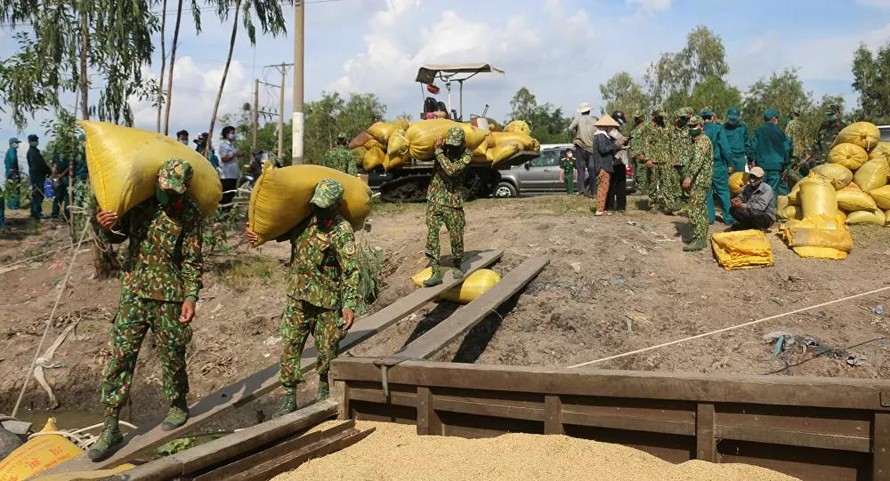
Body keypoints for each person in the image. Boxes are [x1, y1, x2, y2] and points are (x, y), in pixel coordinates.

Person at [88, 159, 204, 462]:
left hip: (170, 297)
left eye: (176, 191)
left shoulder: (189, 212)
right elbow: (118, 235)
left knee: (173, 357)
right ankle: (111, 426)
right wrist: (106, 225)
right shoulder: (139, 202)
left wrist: (191, 298)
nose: (170, 196)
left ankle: (178, 404)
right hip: (135, 294)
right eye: (166, 189)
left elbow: (192, 261)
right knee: (120, 357)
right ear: (157, 180)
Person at [245, 179, 359, 414]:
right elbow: (276, 230)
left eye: (324, 207)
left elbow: (350, 270)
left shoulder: (341, 231)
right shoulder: (303, 221)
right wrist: (258, 234)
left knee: (327, 350)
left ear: (335, 205)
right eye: (316, 205)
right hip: (297, 298)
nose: (318, 211)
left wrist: (349, 304)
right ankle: (288, 398)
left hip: (326, 303)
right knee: (289, 347)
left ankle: (324, 392)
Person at [423, 127, 471, 287]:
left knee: (456, 235)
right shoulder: (443, 149)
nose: (453, 147)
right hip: (435, 199)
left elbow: (452, 170)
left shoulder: (467, 156)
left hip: (452, 201)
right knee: (432, 235)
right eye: (451, 144)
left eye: (456, 145)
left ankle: (457, 264)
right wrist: (436, 148)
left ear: (463, 143)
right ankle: (435, 271)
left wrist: (438, 152)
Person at [681, 116, 713, 252]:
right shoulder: (698, 141)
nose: (691, 129)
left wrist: (688, 177)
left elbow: (697, 162)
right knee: (700, 209)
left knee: (694, 209)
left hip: (699, 180)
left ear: (701, 126)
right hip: (700, 180)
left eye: (694, 126)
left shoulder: (702, 141)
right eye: (689, 126)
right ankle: (699, 237)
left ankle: (699, 239)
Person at [746, 108, 792, 198]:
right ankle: (770, 211)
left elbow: (750, 146)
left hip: (761, 166)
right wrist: (786, 165)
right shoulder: (780, 133)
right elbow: (787, 149)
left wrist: (751, 160)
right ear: (774, 119)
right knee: (771, 191)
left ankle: (758, 210)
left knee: (759, 190)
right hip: (776, 167)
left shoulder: (758, 131)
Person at [701, 110, 735, 226]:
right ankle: (728, 217)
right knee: (723, 191)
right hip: (717, 165)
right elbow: (725, 148)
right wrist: (730, 163)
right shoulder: (718, 129)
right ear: (711, 117)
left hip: (703, 165)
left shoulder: (699, 129)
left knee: (707, 192)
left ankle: (710, 217)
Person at [591, 114, 623, 216]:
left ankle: (601, 209)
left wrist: (617, 146)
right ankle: (599, 210)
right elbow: (603, 149)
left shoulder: (602, 136)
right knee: (603, 187)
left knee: (604, 187)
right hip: (603, 165)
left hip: (604, 165)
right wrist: (616, 144)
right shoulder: (600, 136)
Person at [664, 108, 694, 214]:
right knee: (674, 184)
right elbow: (666, 145)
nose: (684, 120)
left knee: (689, 184)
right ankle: (676, 204)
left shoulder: (689, 130)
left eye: (685, 118)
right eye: (682, 118)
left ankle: (695, 203)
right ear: (676, 119)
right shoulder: (668, 130)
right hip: (673, 162)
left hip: (686, 162)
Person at [730, 166, 776, 230]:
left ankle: (761, 228)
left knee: (754, 212)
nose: (752, 180)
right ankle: (748, 226)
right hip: (751, 213)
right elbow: (740, 197)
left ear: (761, 179)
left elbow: (761, 207)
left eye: (755, 178)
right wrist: (735, 201)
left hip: (766, 217)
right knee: (733, 210)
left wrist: (742, 205)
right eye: (751, 177)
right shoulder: (747, 187)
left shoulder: (767, 189)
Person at [567, 102, 598, 196]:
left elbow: (570, 128)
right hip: (592, 149)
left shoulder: (578, 119)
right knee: (592, 170)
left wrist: (574, 137)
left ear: (581, 112)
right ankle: (594, 192)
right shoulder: (595, 120)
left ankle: (581, 191)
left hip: (580, 146)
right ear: (589, 111)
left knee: (581, 170)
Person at [606, 111, 629, 213]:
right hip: (612, 160)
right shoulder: (608, 131)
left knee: (621, 184)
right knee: (612, 184)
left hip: (621, 160)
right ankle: (610, 206)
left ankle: (621, 206)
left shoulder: (617, 131)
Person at [26, 134, 51, 220]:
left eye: (36, 140)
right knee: (38, 194)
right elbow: (40, 165)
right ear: (30, 142)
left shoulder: (35, 151)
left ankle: (34, 211)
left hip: (37, 175)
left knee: (36, 194)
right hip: (37, 176)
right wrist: (48, 171)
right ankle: (36, 213)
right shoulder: (32, 153)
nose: (36, 142)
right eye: (34, 140)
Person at [784, 108, 810, 185]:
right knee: (799, 170)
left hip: (793, 152)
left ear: (792, 114)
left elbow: (787, 138)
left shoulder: (790, 124)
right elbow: (806, 140)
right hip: (802, 153)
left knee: (791, 172)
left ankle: (800, 182)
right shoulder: (803, 125)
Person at [217, 126, 240, 210]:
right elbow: (224, 158)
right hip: (226, 176)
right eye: (232, 133)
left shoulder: (231, 146)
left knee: (231, 196)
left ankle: (228, 214)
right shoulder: (224, 145)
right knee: (225, 197)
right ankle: (223, 214)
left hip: (233, 176)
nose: (234, 135)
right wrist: (234, 154)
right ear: (226, 134)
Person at [723, 106, 749, 174]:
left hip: (740, 158)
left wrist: (749, 158)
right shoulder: (723, 128)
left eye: (734, 119)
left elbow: (747, 143)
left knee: (740, 180)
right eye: (731, 119)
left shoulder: (743, 127)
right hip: (729, 158)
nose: (732, 121)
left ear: (738, 118)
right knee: (729, 180)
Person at [5, 137, 21, 210]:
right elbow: (13, 159)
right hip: (13, 172)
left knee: (11, 188)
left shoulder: (9, 151)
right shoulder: (12, 150)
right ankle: (14, 206)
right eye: (16, 143)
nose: (18, 144)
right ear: (12, 143)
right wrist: (13, 169)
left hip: (9, 172)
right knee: (15, 188)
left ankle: (10, 205)